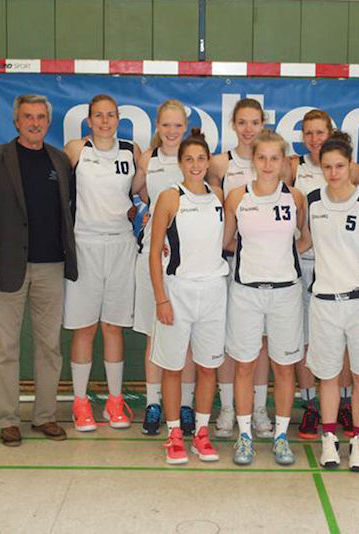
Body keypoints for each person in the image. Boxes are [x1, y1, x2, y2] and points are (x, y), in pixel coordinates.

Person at [0, 94, 77, 447]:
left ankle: (45, 416)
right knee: (6, 348)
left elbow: (68, 214)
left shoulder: (59, 161)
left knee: (49, 346)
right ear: (16, 122)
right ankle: (8, 419)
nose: (34, 123)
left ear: (48, 121)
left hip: (51, 266)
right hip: (7, 268)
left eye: (41, 117)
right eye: (28, 117)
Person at [301, 131, 359, 472]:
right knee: (329, 376)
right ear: (320, 167)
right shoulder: (312, 201)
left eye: (340, 166)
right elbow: (304, 242)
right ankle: (328, 439)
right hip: (324, 302)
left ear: (350, 165)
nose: (334, 172)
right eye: (327, 167)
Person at [223, 130, 307, 466]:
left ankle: (281, 437)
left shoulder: (296, 198)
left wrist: (281, 261)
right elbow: (227, 242)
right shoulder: (236, 197)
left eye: (275, 158)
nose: (268, 164)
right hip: (246, 292)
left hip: (286, 293)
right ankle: (244, 436)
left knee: (284, 368)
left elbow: (305, 240)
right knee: (245, 365)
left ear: (285, 161)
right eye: (262, 158)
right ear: (252, 161)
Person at [62, 94, 141, 432]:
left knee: (113, 326)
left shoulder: (131, 151)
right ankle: (80, 403)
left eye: (111, 115)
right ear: (89, 120)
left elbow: (141, 194)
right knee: (85, 328)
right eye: (99, 116)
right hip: (85, 245)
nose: (105, 121)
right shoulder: (76, 150)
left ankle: (113, 401)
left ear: (119, 118)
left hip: (122, 245)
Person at [149, 129, 228, 464]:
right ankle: (174, 435)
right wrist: (161, 299)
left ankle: (201, 433)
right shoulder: (170, 197)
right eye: (189, 159)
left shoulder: (219, 196)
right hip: (178, 292)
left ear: (208, 161)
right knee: (173, 367)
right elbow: (154, 254)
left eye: (200, 158)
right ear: (180, 164)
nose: (195, 165)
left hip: (213, 292)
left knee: (208, 367)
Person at [288, 109, 359, 440]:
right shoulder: (293, 167)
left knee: (343, 342)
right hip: (307, 265)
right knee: (307, 341)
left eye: (320, 132)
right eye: (308, 133)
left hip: (344, 271)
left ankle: (345, 404)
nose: (315, 139)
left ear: (330, 132)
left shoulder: (353, 170)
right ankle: (311, 407)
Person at [207, 98, 273, 439]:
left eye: (255, 122)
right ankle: (229, 407)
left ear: (263, 125)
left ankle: (259, 408)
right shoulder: (219, 164)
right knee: (231, 341)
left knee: (258, 343)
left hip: (266, 269)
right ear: (233, 125)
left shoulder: (276, 163)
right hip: (231, 264)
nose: (248, 129)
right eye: (242, 122)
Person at [132, 99, 198, 436]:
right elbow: (137, 195)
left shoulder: (196, 161)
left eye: (178, 125)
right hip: (151, 259)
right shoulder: (147, 159)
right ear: (157, 126)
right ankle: (153, 403)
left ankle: (185, 405)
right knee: (154, 336)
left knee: (183, 339)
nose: (172, 131)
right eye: (166, 125)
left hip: (186, 265)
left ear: (185, 128)